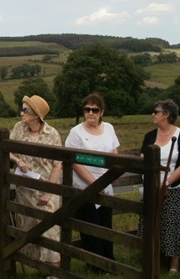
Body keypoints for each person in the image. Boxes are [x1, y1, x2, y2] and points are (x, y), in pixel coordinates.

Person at [64, 92, 119, 271]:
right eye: (87, 109)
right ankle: (95, 266)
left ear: (101, 112)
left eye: (95, 110)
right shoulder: (76, 132)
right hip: (84, 188)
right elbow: (75, 163)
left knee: (106, 226)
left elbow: (114, 155)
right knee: (90, 228)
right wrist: (94, 184)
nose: (90, 113)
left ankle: (109, 263)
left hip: (106, 185)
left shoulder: (109, 129)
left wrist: (105, 181)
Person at [9, 95, 62, 277]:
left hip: (47, 191)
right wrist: (18, 160)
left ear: (36, 115)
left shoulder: (52, 134)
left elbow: (57, 164)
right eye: (22, 109)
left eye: (25, 110)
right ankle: (38, 269)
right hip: (25, 191)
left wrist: (49, 192)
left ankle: (54, 274)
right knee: (28, 230)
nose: (21, 112)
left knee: (51, 231)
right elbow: (8, 149)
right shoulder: (18, 128)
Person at [137, 99, 180, 275]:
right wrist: (152, 185)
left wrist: (166, 184)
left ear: (167, 114)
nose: (153, 114)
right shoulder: (150, 136)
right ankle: (151, 258)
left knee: (172, 224)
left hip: (173, 189)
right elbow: (143, 159)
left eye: (156, 111)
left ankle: (173, 264)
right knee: (150, 223)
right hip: (151, 188)